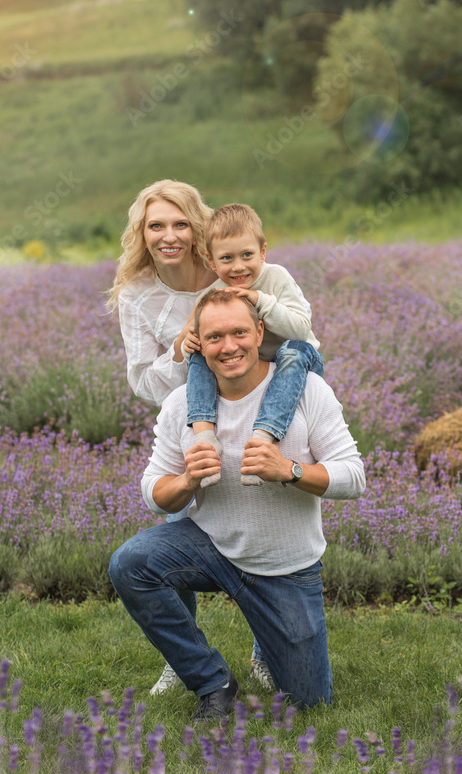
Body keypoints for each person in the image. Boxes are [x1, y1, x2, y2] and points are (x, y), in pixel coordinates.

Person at [108, 289, 366, 720]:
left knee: (310, 704)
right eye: (215, 337)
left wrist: (290, 470)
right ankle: (212, 682)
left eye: (239, 333)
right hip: (210, 548)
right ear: (199, 344)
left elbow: (353, 476)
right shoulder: (182, 404)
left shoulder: (307, 391)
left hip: (286, 568)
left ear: (259, 331)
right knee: (131, 563)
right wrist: (188, 480)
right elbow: (153, 490)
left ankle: (271, 649)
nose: (229, 347)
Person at [108, 180, 271, 694]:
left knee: (266, 534)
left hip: (253, 416)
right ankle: (185, 658)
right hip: (187, 429)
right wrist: (179, 351)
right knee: (175, 538)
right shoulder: (136, 296)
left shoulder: (225, 272)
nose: (169, 235)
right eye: (156, 225)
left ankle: (267, 651)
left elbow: (270, 338)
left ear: (197, 226)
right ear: (142, 232)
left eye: (180, 223)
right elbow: (142, 382)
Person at [185, 203, 323, 486]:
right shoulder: (215, 293)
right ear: (212, 262)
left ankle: (263, 437)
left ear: (262, 251)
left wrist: (261, 301)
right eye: (227, 258)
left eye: (247, 255)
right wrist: (190, 339)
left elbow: (300, 329)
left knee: (292, 350)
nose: (238, 266)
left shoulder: (276, 278)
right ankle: (205, 438)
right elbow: (200, 334)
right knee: (199, 355)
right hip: (250, 366)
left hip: (296, 362)